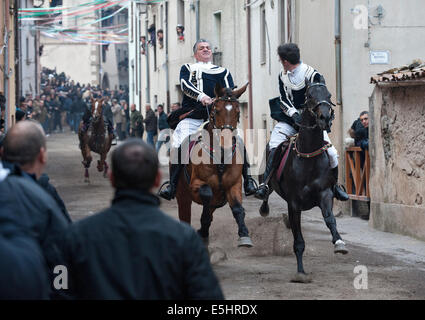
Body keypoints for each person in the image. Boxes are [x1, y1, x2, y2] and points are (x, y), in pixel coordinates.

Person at [59, 139, 224, 299]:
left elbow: (59, 291)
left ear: (112, 178)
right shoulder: (185, 239)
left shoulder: (76, 236)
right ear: (157, 179)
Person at [158, 39, 257, 201]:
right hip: (194, 116)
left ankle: (248, 182)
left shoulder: (223, 72)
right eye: (201, 48)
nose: (206, 50)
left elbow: (229, 92)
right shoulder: (188, 68)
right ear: (196, 53)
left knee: (238, 141)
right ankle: (172, 185)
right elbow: (184, 85)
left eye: (208, 48)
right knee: (179, 142)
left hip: (218, 119)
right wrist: (202, 97)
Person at [255, 43, 349, 202]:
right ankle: (265, 184)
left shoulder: (313, 74)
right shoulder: (282, 76)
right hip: (289, 121)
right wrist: (293, 114)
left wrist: (310, 116)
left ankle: (335, 186)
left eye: (280, 60)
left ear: (285, 61)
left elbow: (321, 98)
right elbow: (283, 100)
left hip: (312, 122)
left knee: (332, 153)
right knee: (273, 146)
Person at [0, 121, 70, 297]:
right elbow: (61, 254)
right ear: (42, 156)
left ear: (2, 153)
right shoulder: (44, 199)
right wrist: (61, 291)